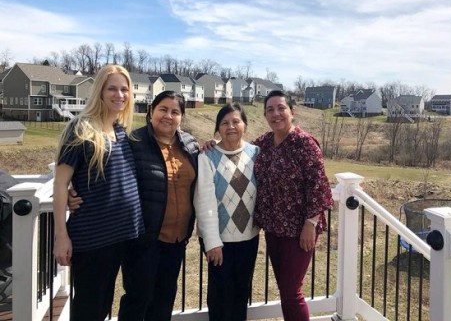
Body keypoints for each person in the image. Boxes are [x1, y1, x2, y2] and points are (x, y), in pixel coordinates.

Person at [69, 90, 199, 321]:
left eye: (175, 111)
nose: (168, 116)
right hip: (143, 239)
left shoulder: (190, 145)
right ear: (151, 113)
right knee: (139, 299)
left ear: (181, 117)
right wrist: (72, 189)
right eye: (163, 109)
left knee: (165, 298)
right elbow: (106, 171)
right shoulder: (133, 141)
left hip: (177, 240)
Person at [53, 64, 144, 321]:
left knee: (110, 303)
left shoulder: (119, 131)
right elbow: (60, 183)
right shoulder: (81, 129)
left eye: (124, 89)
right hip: (94, 238)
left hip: (126, 234)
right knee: (90, 309)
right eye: (112, 88)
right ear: (100, 92)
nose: (120, 95)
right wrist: (61, 237)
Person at [252, 90, 333, 321]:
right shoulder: (264, 142)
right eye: (270, 109)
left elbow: (318, 186)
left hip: (299, 230)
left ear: (292, 112)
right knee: (286, 291)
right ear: (266, 115)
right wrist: (213, 145)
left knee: (291, 291)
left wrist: (310, 224)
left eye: (281, 108)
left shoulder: (304, 144)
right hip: (274, 228)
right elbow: (237, 150)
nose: (276, 113)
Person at [194, 103, 260, 321]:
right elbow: (205, 202)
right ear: (217, 128)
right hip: (219, 241)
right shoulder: (208, 157)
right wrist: (212, 242)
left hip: (248, 238)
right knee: (220, 295)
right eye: (224, 123)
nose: (231, 126)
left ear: (245, 125)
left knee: (241, 292)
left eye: (236, 121)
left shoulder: (255, 153)